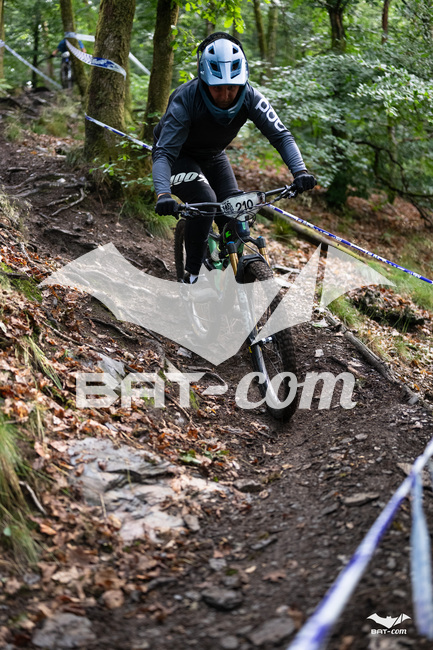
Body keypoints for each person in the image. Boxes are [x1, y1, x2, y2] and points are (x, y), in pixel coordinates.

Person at [152, 32, 316, 283]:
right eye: (217, 88)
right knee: (206, 201)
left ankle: (233, 275)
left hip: (213, 155)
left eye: (232, 87)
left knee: (234, 209)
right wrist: (163, 194)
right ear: (204, 81)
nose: (226, 95)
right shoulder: (186, 100)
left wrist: (300, 171)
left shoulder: (250, 96)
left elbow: (281, 135)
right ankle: (192, 275)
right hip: (178, 156)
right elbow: (164, 153)